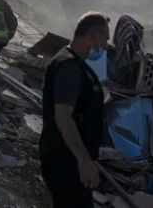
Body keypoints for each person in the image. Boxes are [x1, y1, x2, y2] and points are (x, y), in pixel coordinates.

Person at [40, 12, 110, 208]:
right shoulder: (69, 67)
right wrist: (84, 160)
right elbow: (63, 116)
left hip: (67, 159)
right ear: (93, 35)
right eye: (105, 38)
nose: (105, 45)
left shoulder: (74, 63)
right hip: (65, 161)